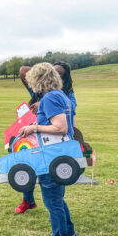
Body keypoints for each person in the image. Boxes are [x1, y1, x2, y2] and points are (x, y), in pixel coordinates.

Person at [17, 63, 83, 236]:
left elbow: (60, 127)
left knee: (52, 202)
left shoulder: (50, 98)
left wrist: (34, 128)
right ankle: (71, 235)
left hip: (52, 156)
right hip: (60, 155)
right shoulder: (61, 95)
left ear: (38, 80)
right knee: (57, 199)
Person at [15, 62, 77, 214]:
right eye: (53, 72)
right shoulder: (49, 93)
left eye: (58, 73)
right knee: (28, 166)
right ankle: (28, 200)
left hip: (52, 147)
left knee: (53, 197)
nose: (56, 74)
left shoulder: (54, 96)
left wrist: (37, 122)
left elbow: (63, 125)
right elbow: (24, 70)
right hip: (45, 143)